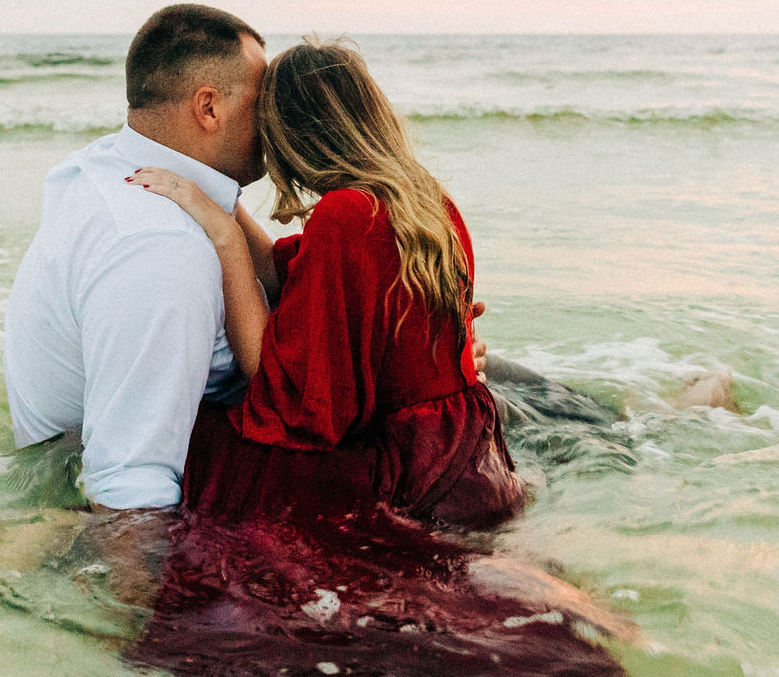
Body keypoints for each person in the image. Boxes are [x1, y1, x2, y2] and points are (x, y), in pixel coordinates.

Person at [129, 36, 526, 529]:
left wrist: (224, 236)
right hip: (463, 449)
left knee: (190, 443)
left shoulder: (346, 215)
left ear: (292, 135)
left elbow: (279, 389)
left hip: (415, 470)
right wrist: (217, 193)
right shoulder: (421, 196)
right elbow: (285, 271)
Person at [2, 3, 277, 511]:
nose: (275, 121)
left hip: (57, 459)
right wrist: (132, 591)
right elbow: (128, 486)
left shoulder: (113, 163)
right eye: (264, 103)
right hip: (71, 492)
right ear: (209, 107)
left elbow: (281, 276)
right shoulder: (161, 248)